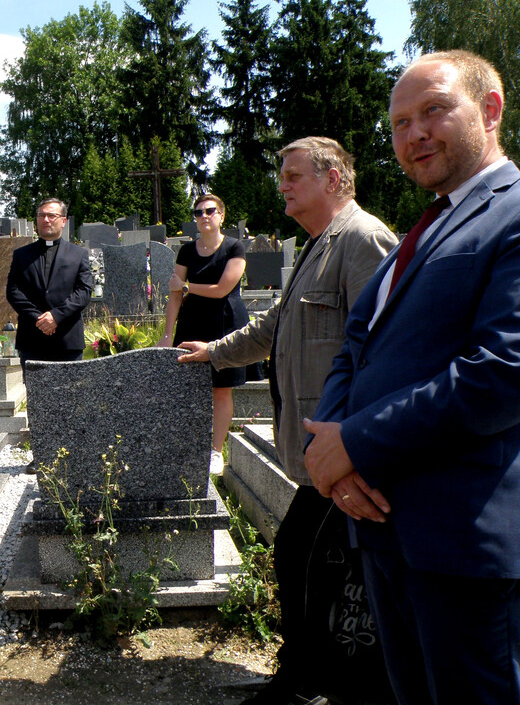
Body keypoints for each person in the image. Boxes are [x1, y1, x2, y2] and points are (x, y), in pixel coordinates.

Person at [305, 51, 520, 704]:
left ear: (489, 110)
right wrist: (331, 451)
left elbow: (503, 370)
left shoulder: (511, 212)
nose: (414, 134)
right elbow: (356, 347)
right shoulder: (421, 230)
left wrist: (355, 443)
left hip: (462, 544)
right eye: (400, 123)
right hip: (385, 531)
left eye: (434, 111)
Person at [178, 137, 397, 705]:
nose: (282, 185)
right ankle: (306, 679)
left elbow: (385, 353)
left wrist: (358, 448)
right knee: (304, 562)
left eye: (293, 175)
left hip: (342, 454)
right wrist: (212, 352)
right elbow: (272, 326)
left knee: (303, 560)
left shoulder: (362, 239)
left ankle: (305, 685)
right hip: (317, 456)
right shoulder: (319, 244)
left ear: (332, 179)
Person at [158, 194, 249, 470]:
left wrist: (186, 286)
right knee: (188, 387)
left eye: (210, 211)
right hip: (192, 322)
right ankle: (189, 447)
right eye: (198, 212)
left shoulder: (234, 247)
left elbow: (222, 289)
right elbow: (174, 295)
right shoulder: (186, 251)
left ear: (221, 215)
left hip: (225, 322)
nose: (204, 216)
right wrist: (167, 334)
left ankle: (216, 451)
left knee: (221, 389)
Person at [6, 197, 93, 473]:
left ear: (63, 221)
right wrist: (38, 319)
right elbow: (13, 292)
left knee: (70, 398)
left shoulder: (78, 255)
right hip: (33, 339)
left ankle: (71, 455)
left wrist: (56, 316)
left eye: (52, 215)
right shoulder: (22, 255)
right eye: (42, 215)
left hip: (67, 339)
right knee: (38, 399)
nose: (46, 220)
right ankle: (42, 455)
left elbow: (84, 291)